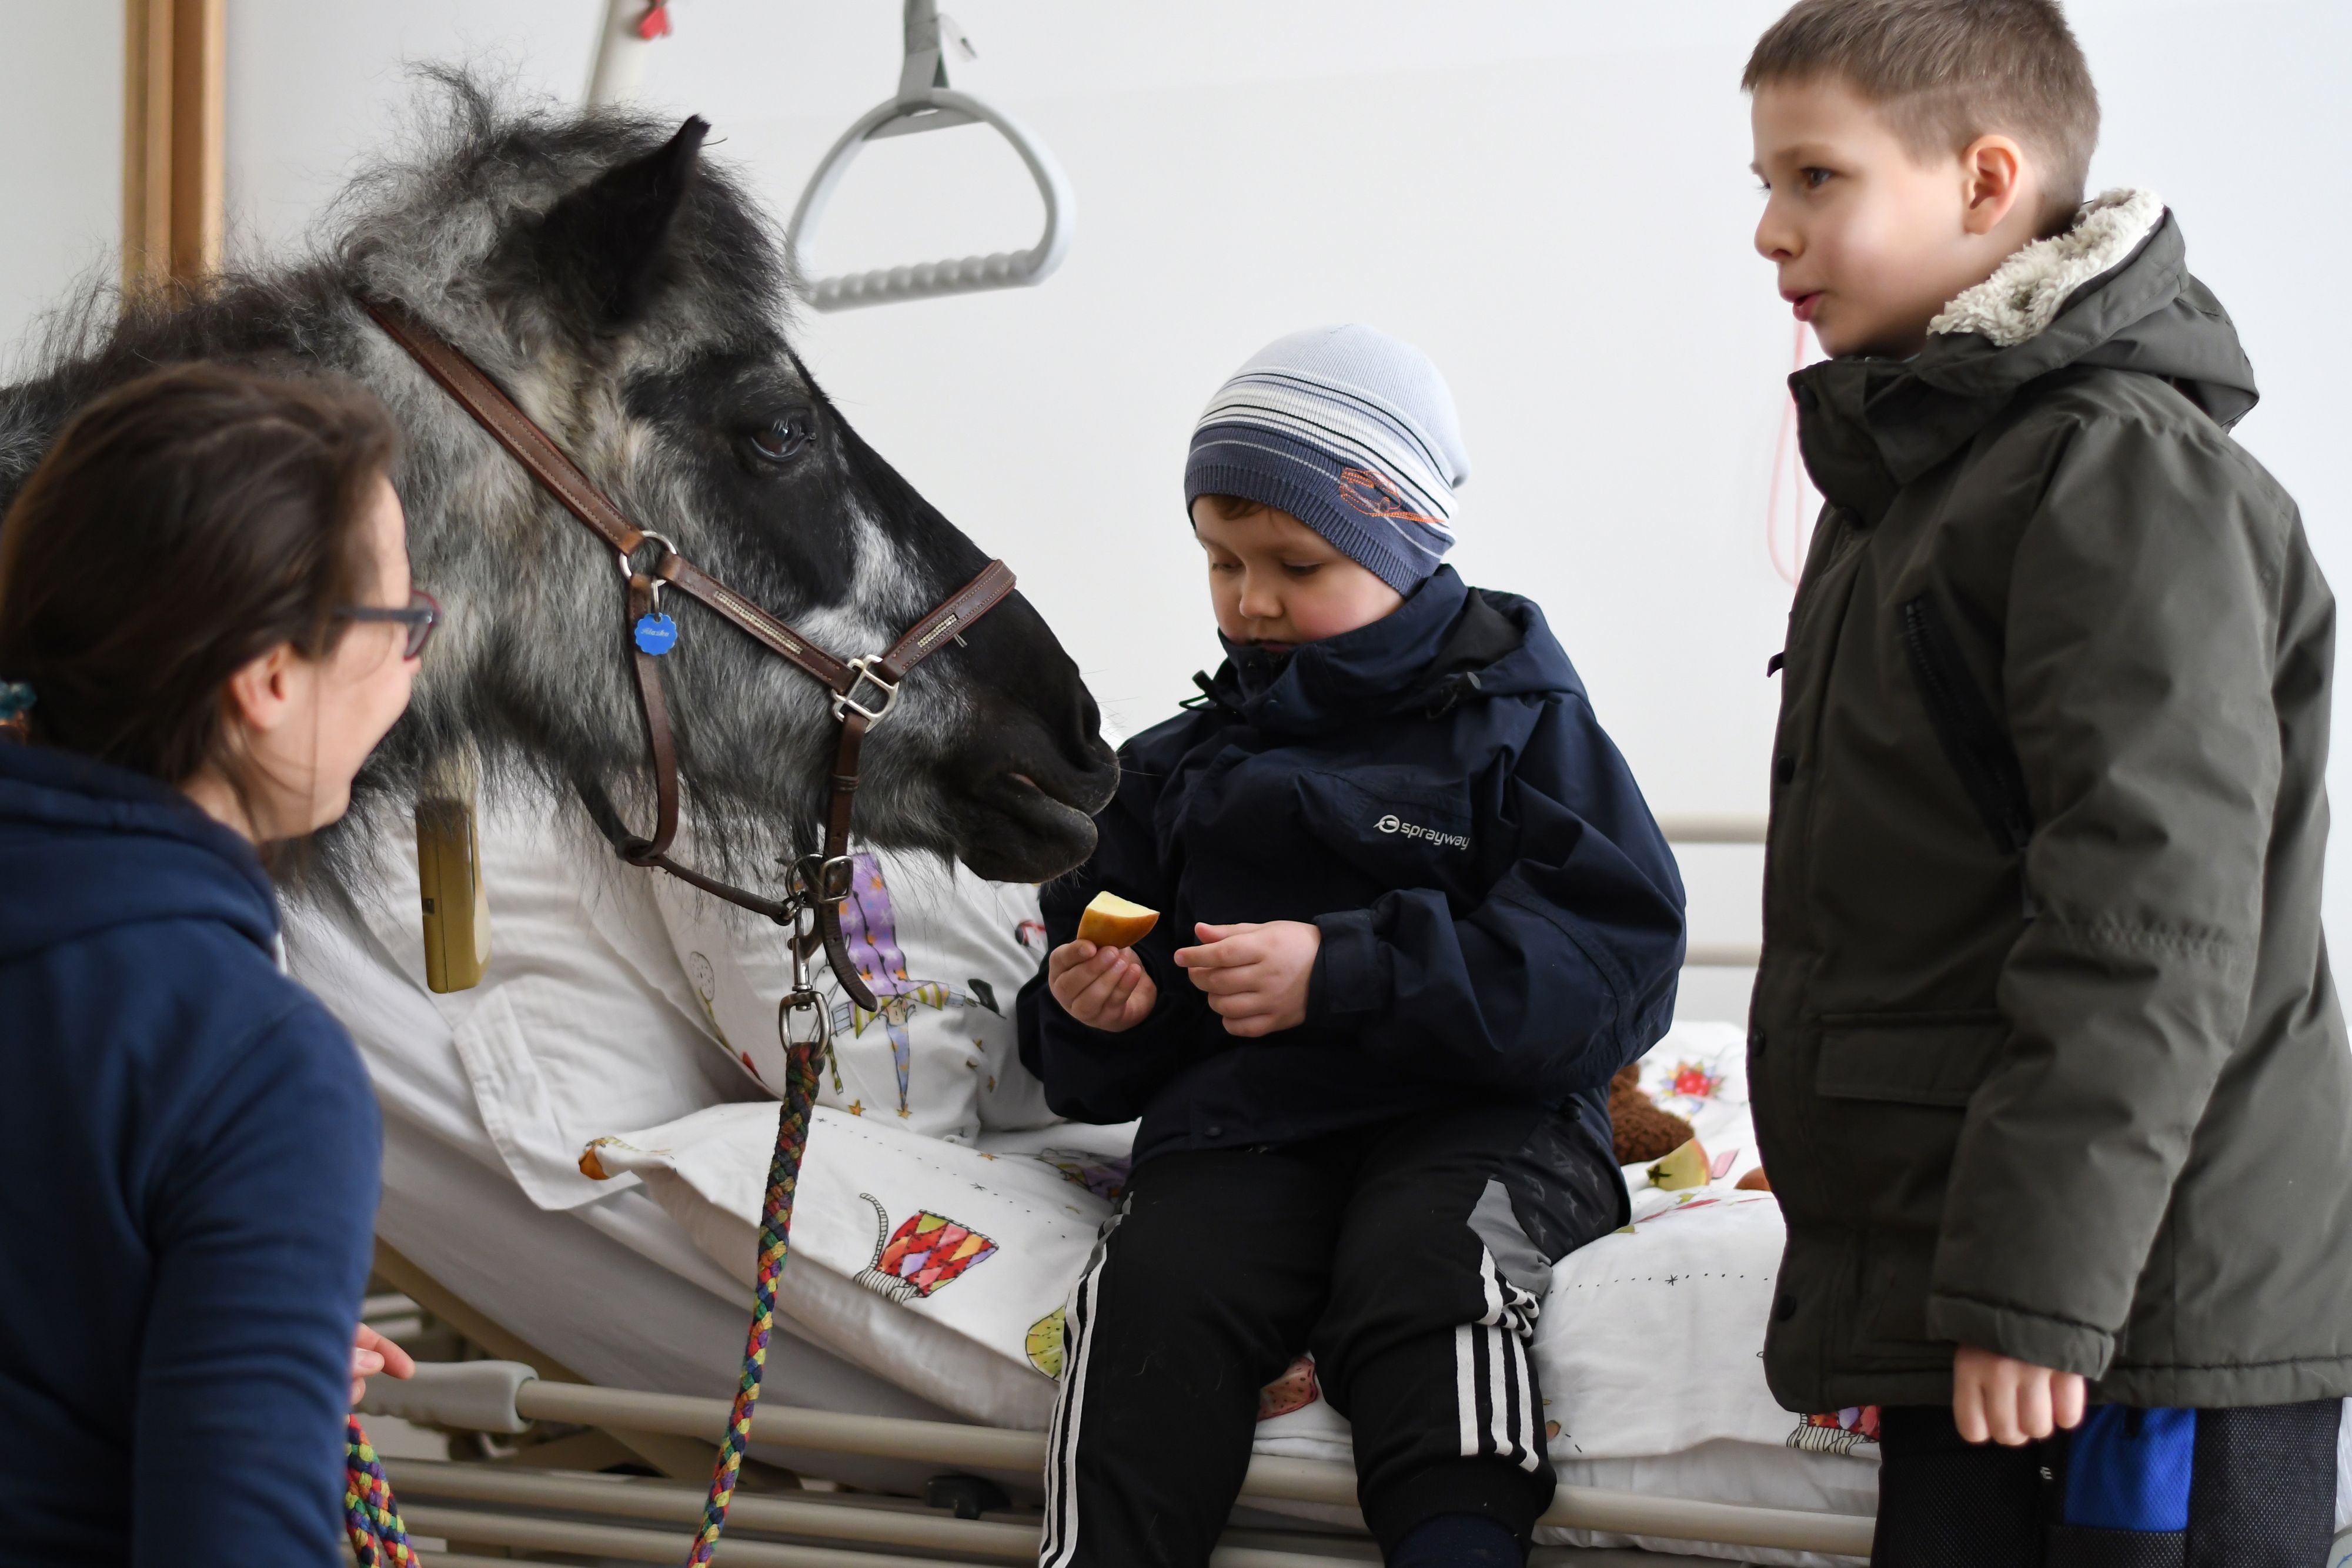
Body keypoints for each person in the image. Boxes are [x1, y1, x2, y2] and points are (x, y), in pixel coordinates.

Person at [1742, 2, 2352, 1562]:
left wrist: (2036, 1285)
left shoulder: (2116, 468)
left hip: (2135, 1303)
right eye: (1765, 183)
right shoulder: (1913, 487)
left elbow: (2146, 916)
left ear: (1984, 180)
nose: (1769, 231)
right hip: (2001, 1278)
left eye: (1816, 177)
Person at [1017, 326, 1687, 1568]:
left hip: (1482, 1116)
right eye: (1221, 561)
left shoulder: (1521, 726)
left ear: (1404, 547)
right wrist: (1094, 1010)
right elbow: (1086, 1059)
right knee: (1155, 1290)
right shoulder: (1169, 768)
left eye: (1299, 563)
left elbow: (1612, 966)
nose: (1252, 599)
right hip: (1248, 1128)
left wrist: (1346, 969)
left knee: (1430, 1270)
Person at [0, 364, 432, 1563]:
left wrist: (236, 1323)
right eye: (401, 622)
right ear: (271, 677)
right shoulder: (257, 1070)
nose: (414, 663)